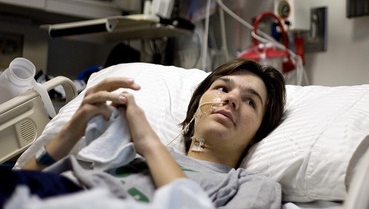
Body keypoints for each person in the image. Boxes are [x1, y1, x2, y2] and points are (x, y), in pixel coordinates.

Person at [15, 59, 286, 208]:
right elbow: (21, 184)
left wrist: (147, 141)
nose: (232, 99)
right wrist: (69, 135)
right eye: (222, 89)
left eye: (251, 101)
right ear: (195, 108)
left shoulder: (251, 186)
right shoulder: (121, 152)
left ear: (257, 133)